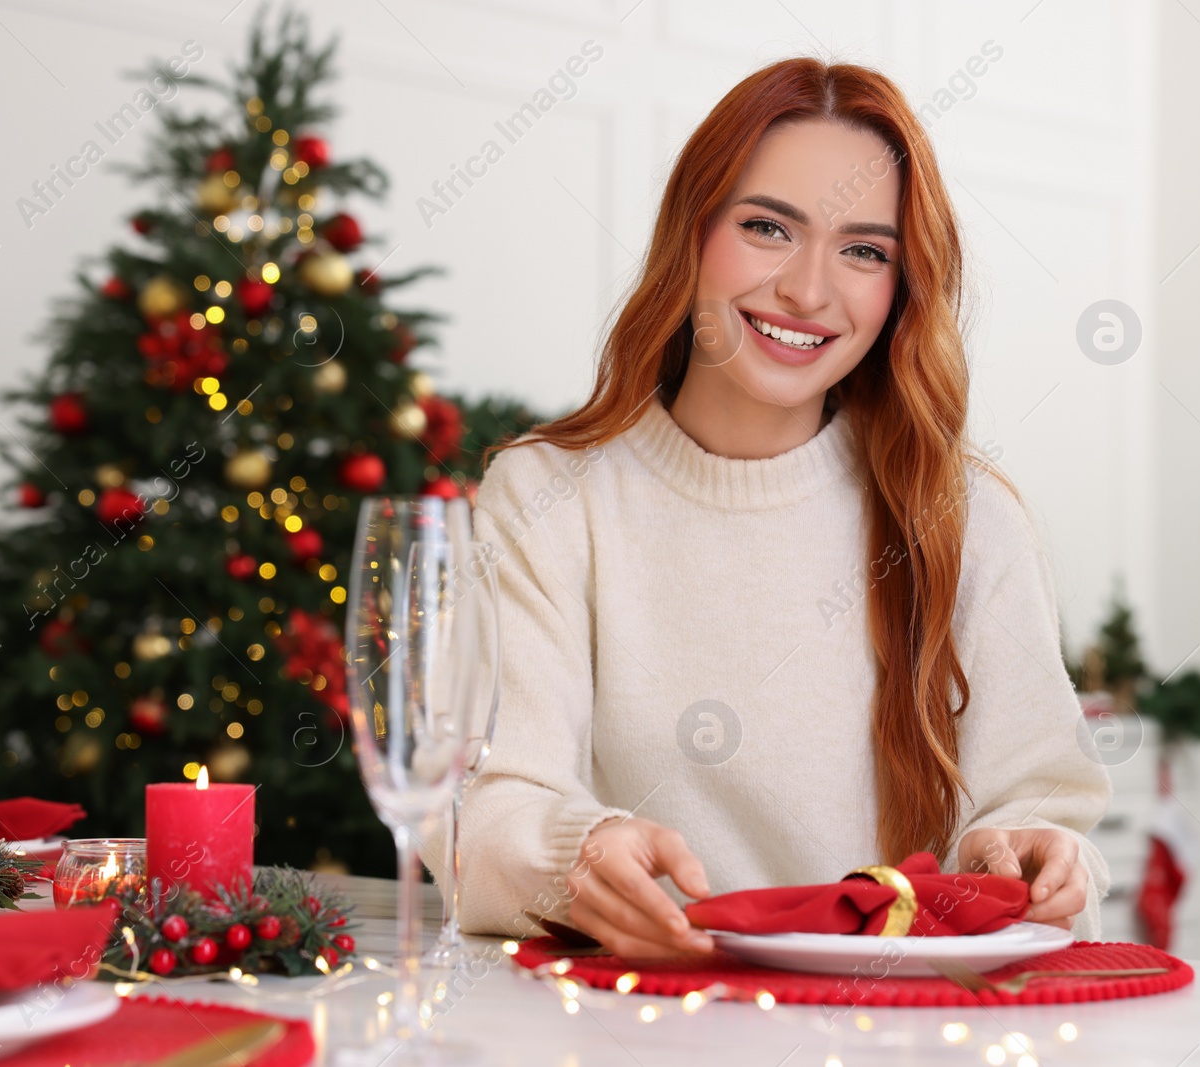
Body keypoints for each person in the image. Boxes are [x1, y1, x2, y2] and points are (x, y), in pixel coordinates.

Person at [454, 57, 1113, 960]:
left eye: (864, 251)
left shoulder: (964, 514)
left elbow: (1040, 811)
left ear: (899, 290)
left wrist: (1035, 853)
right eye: (769, 227)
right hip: (633, 1027)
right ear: (692, 234)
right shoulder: (548, 497)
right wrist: (576, 856)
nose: (808, 290)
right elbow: (486, 810)